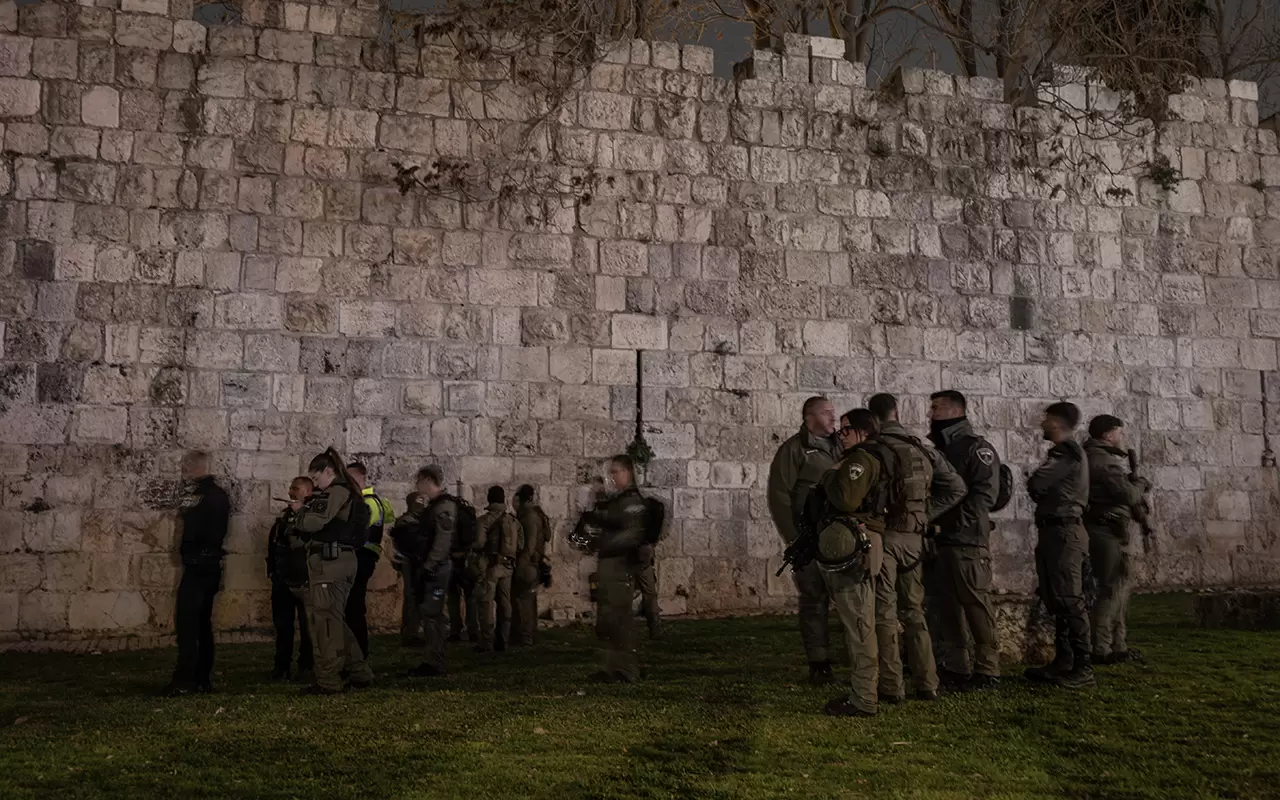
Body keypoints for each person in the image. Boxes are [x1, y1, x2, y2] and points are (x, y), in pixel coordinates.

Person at [867, 394, 965, 704]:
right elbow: (956, 488)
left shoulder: (873, 451)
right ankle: (928, 684)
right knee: (914, 612)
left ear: (873, 418)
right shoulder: (921, 448)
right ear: (896, 412)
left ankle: (892, 687)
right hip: (915, 540)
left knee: (884, 612)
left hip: (885, 537)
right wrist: (923, 513)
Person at [816, 409, 894, 717]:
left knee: (860, 624)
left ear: (863, 431)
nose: (841, 435)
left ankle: (863, 698)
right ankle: (876, 688)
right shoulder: (875, 457)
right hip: (863, 542)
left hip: (857, 544)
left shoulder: (861, 460)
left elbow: (846, 500)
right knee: (865, 620)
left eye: (846, 430)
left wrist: (831, 474)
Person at [926, 390, 1003, 691]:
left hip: (967, 541)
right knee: (947, 606)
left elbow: (985, 494)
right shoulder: (942, 449)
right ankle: (958, 667)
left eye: (935, 407)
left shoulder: (976, 449)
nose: (930, 414)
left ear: (954, 410)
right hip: (941, 541)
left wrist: (957, 522)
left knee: (976, 604)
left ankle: (988, 669)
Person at [767, 395, 841, 685]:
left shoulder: (842, 447)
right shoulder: (794, 450)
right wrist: (795, 540)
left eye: (833, 412)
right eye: (826, 413)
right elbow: (779, 496)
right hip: (809, 540)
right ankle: (819, 662)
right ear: (809, 417)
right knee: (813, 600)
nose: (833, 417)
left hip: (841, 538)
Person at [290, 449, 375, 695]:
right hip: (339, 560)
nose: (315, 485)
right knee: (335, 620)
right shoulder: (347, 492)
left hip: (331, 564)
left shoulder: (336, 492)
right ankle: (359, 672)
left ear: (329, 471)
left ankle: (329, 681)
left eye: (316, 479)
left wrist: (299, 513)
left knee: (324, 624)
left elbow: (312, 522)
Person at [1025, 402, 1094, 689]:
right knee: (1057, 597)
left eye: (1046, 418)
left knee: (1069, 599)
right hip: (1057, 531)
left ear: (1056, 422)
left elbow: (1038, 483)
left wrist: (1037, 484)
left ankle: (1083, 667)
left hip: (1064, 533)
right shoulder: (1068, 453)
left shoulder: (1066, 452)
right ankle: (1065, 661)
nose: (1042, 423)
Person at [1083, 415, 1149, 665]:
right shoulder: (1102, 459)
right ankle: (1101, 648)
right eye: (1119, 432)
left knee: (1118, 588)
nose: (1122, 437)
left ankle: (1117, 645)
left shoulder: (1097, 457)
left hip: (1110, 528)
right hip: (1106, 530)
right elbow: (1127, 494)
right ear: (1109, 434)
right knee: (1110, 589)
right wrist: (1140, 485)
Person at [165, 451, 231, 697]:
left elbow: (204, 531)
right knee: (201, 624)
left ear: (197, 467)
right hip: (206, 564)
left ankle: (186, 679)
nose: (186, 470)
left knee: (189, 623)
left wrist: (193, 554)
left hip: (199, 566)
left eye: (189, 466)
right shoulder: (212, 494)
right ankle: (201, 678)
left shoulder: (205, 496)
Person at [582, 455, 649, 683]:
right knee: (608, 621)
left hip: (620, 567)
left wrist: (602, 543)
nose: (613, 477)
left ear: (628, 473)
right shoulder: (618, 501)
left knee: (620, 620)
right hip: (609, 566)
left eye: (617, 472)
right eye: (611, 472)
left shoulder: (631, 502)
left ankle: (628, 670)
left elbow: (631, 536)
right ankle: (611, 668)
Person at [406, 465, 459, 678]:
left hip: (437, 568)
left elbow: (442, 541)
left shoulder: (443, 506)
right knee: (430, 614)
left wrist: (428, 566)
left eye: (419, 481)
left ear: (428, 480)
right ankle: (432, 659)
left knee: (432, 614)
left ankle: (435, 662)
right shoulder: (436, 506)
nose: (417, 486)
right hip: (435, 566)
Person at [344, 462, 395, 659]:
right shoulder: (367, 501)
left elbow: (358, 531)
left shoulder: (369, 503)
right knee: (352, 607)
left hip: (362, 557)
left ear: (358, 478)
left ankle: (359, 655)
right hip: (362, 556)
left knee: (355, 608)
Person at [267, 476, 314, 682]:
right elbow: (275, 545)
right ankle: (281, 666)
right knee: (283, 627)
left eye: (295, 488)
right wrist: (273, 572)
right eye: (290, 488)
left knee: (308, 629)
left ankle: (306, 666)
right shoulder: (284, 519)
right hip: (283, 580)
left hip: (305, 580)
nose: (290, 492)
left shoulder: (314, 518)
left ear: (307, 492)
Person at [474, 486, 522, 653]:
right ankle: (503, 640)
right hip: (508, 566)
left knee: (486, 603)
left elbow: (479, 543)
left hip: (490, 566)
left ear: (489, 499)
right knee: (504, 602)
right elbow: (521, 544)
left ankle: (486, 642)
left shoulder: (483, 521)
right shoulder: (513, 521)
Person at [511, 484, 551, 646]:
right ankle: (530, 633)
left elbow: (529, 544)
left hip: (527, 565)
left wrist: (520, 566)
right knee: (530, 600)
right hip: (535, 564)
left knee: (522, 600)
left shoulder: (528, 516)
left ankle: (525, 637)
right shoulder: (538, 514)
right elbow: (547, 536)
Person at [394, 492, 427, 647]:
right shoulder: (406, 521)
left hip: (418, 562)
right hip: (410, 562)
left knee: (416, 596)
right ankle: (410, 632)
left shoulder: (419, 520)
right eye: (419, 501)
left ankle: (413, 630)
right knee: (411, 597)